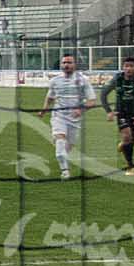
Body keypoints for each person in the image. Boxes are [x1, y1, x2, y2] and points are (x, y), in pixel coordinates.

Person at [40, 52, 94, 181]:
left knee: (68, 147)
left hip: (75, 120)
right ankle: (65, 171)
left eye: (69, 62)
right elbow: (50, 98)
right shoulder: (55, 81)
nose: (66, 65)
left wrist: (80, 110)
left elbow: (92, 101)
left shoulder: (83, 81)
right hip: (58, 116)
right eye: (64, 62)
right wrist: (43, 110)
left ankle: (62, 153)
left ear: (75, 65)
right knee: (60, 142)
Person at [101, 56, 134, 176]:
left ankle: (123, 145)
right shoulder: (117, 79)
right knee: (127, 137)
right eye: (126, 66)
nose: (128, 69)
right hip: (122, 113)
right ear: (123, 67)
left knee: (133, 140)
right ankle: (130, 166)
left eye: (131, 66)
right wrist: (109, 111)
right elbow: (103, 94)